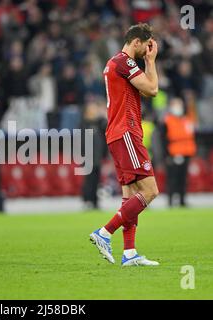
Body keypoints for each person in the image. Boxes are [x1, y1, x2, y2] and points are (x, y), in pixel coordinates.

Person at [89, 23, 160, 266]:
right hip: (126, 131)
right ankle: (104, 232)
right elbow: (153, 89)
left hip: (119, 133)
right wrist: (151, 62)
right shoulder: (124, 62)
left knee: (129, 194)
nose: (147, 51)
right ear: (136, 42)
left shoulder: (116, 64)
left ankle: (129, 253)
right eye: (146, 46)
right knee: (150, 191)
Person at [162, 97, 197, 207]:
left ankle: (182, 201)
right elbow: (163, 139)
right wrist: (166, 155)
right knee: (172, 178)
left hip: (186, 152)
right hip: (173, 153)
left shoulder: (187, 119)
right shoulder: (167, 120)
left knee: (183, 178)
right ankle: (171, 201)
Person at [81, 99, 108, 209]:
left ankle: (95, 202)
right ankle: (87, 200)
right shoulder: (84, 124)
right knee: (89, 180)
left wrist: (104, 154)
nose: (95, 111)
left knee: (97, 180)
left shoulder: (99, 123)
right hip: (87, 157)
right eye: (92, 109)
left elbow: (106, 134)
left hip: (97, 157)